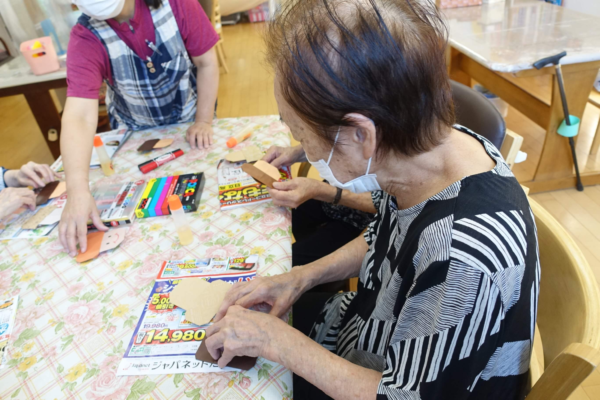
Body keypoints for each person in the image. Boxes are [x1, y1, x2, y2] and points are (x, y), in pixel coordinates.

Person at [204, 1, 540, 399]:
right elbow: (385, 236)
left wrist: (278, 342)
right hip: (367, 328)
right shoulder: (429, 152)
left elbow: (402, 395)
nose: (301, 146)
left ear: (361, 135)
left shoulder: (462, 257)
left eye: (299, 131)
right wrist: (300, 278)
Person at [59, 0, 220, 257]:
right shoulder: (85, 37)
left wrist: (203, 121)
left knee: (202, 202)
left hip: (190, 123)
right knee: (146, 221)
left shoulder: (177, 5)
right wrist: (77, 189)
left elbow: (207, 63)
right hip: (134, 135)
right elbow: (78, 116)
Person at [263, 144, 379, 290]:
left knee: (285, 266)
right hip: (332, 198)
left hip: (359, 222)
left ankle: (325, 285)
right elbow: (339, 143)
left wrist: (324, 191)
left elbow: (386, 202)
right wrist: (299, 151)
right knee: (275, 218)